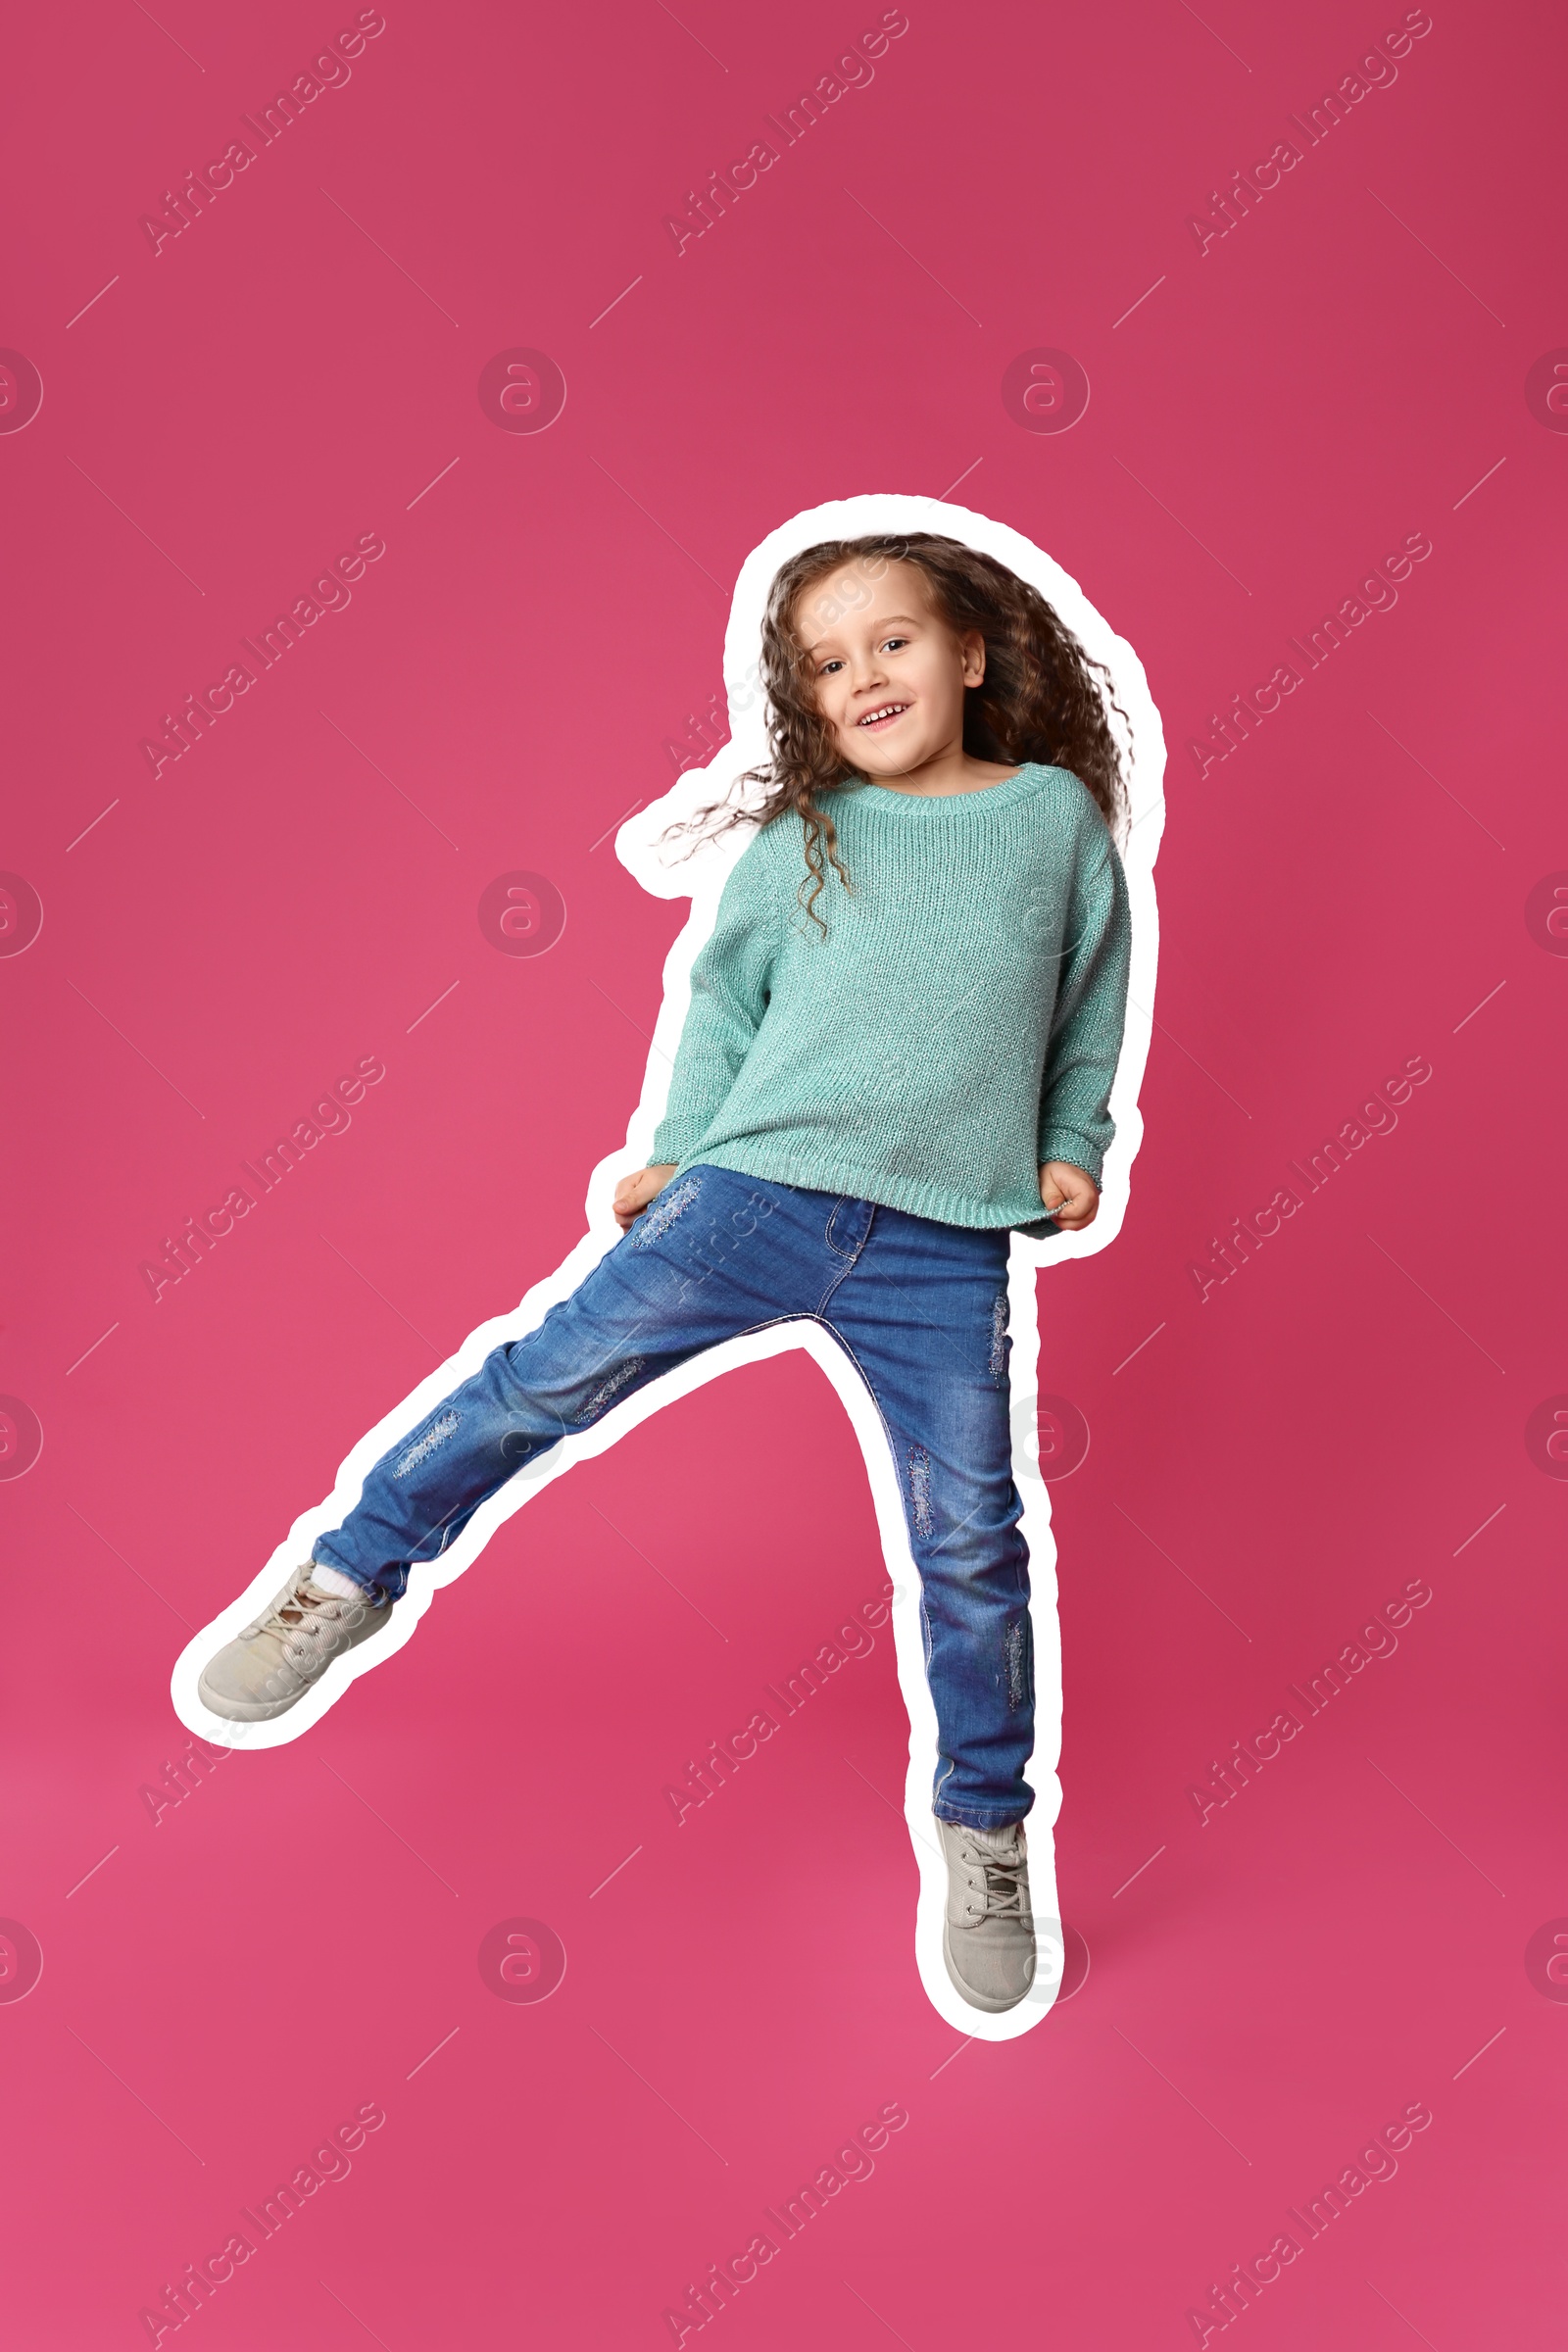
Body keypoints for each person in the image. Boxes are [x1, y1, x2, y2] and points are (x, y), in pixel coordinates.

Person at [198, 530, 1133, 2014]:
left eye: (893, 641)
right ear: (806, 705)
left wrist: (1073, 1134)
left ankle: (986, 1827)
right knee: (542, 1380)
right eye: (827, 664)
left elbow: (1091, 992)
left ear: (969, 654)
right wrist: (676, 1149)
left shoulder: (1051, 822)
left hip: (946, 1238)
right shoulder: (810, 833)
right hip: (752, 1191)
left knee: (970, 1539)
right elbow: (723, 1002)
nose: (862, 675)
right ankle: (342, 1578)